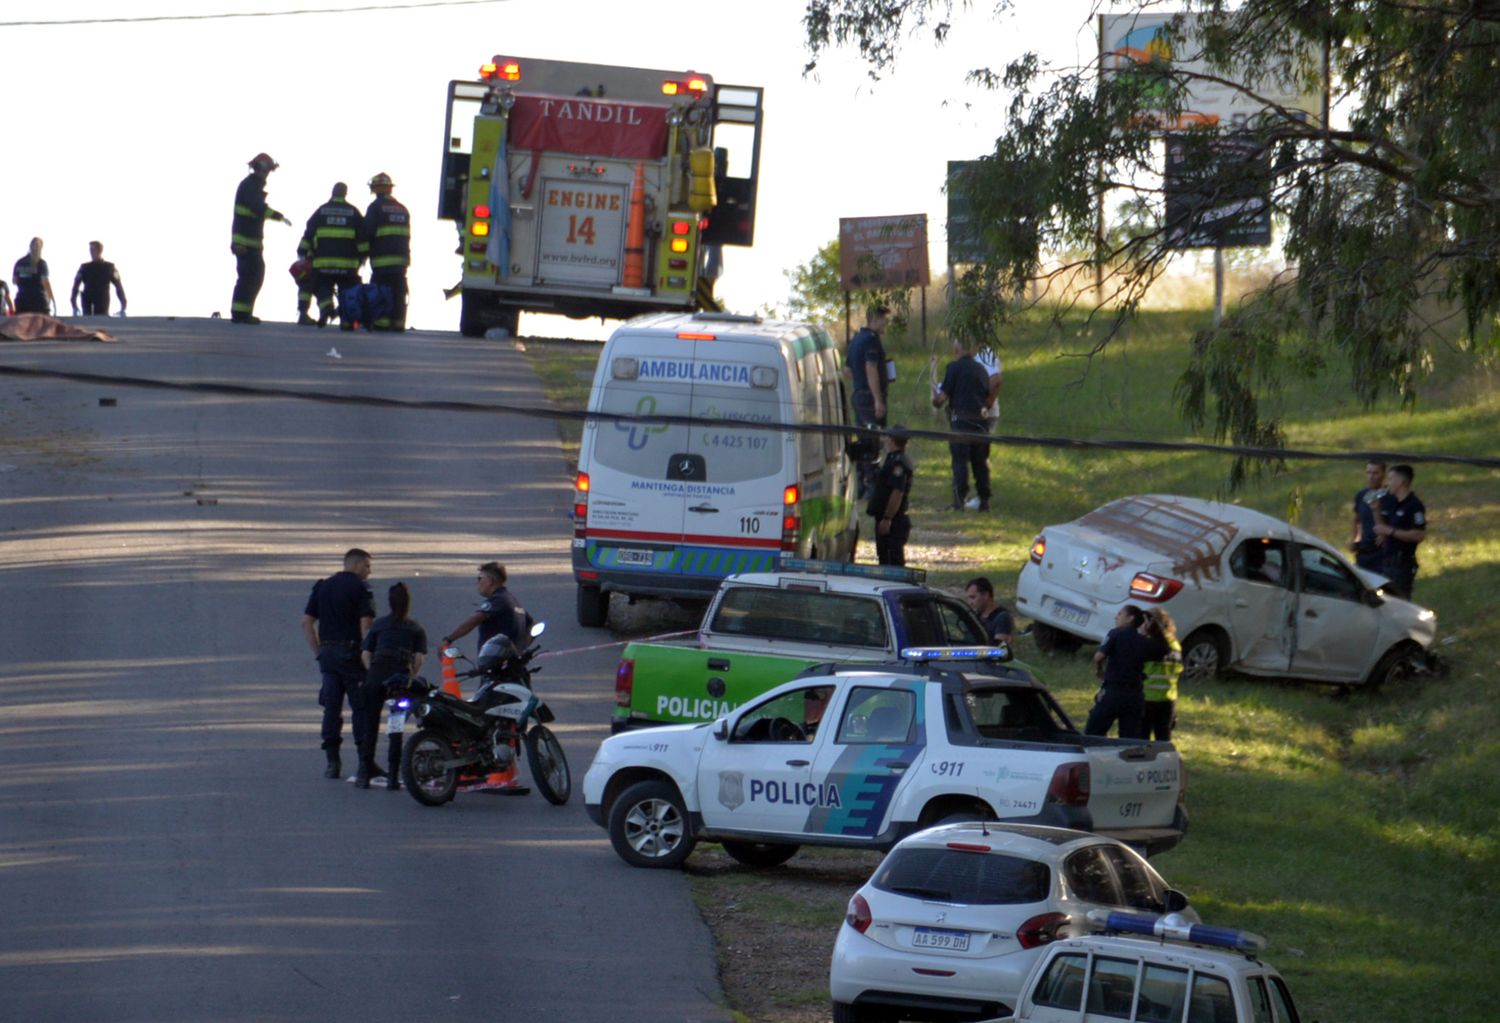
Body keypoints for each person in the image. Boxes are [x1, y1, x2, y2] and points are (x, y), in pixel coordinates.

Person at [301, 548, 376, 779]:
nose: (369, 572)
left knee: (331, 708)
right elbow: (366, 625)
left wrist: (319, 651)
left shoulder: (322, 586)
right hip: (352, 654)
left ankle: (332, 762)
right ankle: (365, 763)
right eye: (367, 567)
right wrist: (369, 656)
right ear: (356, 565)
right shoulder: (361, 588)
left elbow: (306, 622)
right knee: (360, 708)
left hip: (329, 655)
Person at [359, 582, 427, 790]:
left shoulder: (379, 625)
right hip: (399, 680)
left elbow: (366, 653)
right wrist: (411, 675)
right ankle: (392, 775)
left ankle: (364, 772)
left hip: (376, 676)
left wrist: (373, 672)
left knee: (370, 724)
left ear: (389, 602)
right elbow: (418, 659)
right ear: (408, 603)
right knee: (395, 726)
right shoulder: (415, 628)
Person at [1086, 604, 1167, 739]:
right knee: (1129, 739)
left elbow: (1099, 657)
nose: (1116, 617)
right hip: (1134, 696)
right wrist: (1150, 628)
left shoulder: (1115, 633)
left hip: (1113, 691)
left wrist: (1100, 670)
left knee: (1093, 733)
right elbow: (1163, 650)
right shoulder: (1144, 642)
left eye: (1119, 614)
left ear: (1130, 618)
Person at [932, 338, 993, 512]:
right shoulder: (981, 369)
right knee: (980, 463)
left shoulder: (954, 368)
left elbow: (942, 398)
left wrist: (935, 400)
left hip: (961, 422)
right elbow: (987, 396)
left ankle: (960, 500)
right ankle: (984, 500)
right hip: (981, 423)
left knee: (960, 462)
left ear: (957, 350)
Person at [230, 153, 291, 324]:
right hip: (245, 243)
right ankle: (241, 314)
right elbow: (258, 208)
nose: (268, 174)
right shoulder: (250, 186)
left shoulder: (252, 185)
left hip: (251, 243)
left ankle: (243, 313)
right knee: (249, 277)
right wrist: (278, 216)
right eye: (268, 170)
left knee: (253, 277)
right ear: (262, 169)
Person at [300, 182, 367, 329]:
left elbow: (309, 233)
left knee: (321, 287)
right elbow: (362, 238)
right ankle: (347, 320)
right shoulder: (354, 212)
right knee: (348, 292)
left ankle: (326, 308)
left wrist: (302, 252)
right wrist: (363, 256)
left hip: (323, 264)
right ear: (345, 194)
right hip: (348, 265)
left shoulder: (321, 211)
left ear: (333, 192)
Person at [846, 304, 892, 499]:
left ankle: (862, 484)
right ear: (875, 319)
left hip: (858, 395)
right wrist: (877, 400)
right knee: (874, 440)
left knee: (864, 438)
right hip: (869, 397)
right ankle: (872, 485)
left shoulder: (856, 339)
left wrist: (859, 382)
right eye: (884, 319)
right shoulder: (872, 341)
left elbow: (847, 370)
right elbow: (871, 368)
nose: (886, 324)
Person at [439, 561, 533, 655]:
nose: (477, 583)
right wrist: (520, 650)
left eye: (480, 578)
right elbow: (532, 625)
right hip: (512, 665)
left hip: (495, 665)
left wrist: (449, 639)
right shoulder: (513, 601)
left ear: (490, 581)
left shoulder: (498, 600)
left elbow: (474, 620)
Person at [362, 172, 411, 331]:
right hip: (401, 260)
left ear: (375, 189)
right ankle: (398, 322)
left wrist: (362, 254)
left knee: (380, 290)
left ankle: (382, 321)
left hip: (382, 259)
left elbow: (368, 233)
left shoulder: (375, 208)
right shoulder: (402, 209)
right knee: (398, 291)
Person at [1373, 464, 1427, 598]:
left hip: (1402, 564)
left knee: (1399, 602)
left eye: (1391, 479)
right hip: (1386, 561)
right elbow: (1381, 528)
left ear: (1401, 482)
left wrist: (1390, 531)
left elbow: (1419, 535)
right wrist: (1375, 510)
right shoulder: (1392, 502)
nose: (1387, 483)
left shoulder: (1414, 505)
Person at [867, 426, 915, 567]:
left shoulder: (898, 463)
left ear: (891, 440)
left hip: (894, 522)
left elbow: (897, 493)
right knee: (884, 558)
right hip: (888, 519)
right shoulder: (892, 459)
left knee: (892, 562)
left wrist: (887, 518)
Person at [1141, 609, 1183, 742]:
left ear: (1151, 623)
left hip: (1147, 698)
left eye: (1144, 621)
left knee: (1141, 741)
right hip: (1168, 699)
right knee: (1163, 740)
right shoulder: (1174, 644)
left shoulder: (1148, 644)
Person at [1349, 460, 1388, 572]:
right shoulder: (1361, 495)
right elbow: (1357, 520)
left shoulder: (1389, 496)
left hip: (1382, 552)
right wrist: (1355, 539)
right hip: (1364, 550)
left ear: (1383, 475)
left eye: (1376, 473)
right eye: (1369, 473)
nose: (1371, 477)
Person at [70, 241, 127, 316]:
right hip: (87, 300)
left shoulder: (109, 267)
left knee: (101, 321)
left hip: (102, 300)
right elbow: (75, 286)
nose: (91, 252)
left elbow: (118, 286)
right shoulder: (84, 268)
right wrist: (74, 304)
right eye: (90, 250)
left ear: (100, 251)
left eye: (93, 250)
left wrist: (123, 305)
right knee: (87, 323)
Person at [964, 576, 1014, 648]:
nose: (970, 603)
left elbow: (999, 648)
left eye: (973, 597)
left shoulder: (1002, 617)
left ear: (986, 595)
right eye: (968, 598)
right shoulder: (976, 616)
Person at [12, 237, 54, 315]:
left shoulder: (20, 262)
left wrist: (25, 277)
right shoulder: (41, 263)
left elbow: (14, 281)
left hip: (22, 300)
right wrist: (51, 298)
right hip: (39, 302)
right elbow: (45, 282)